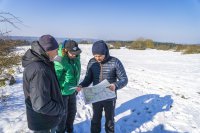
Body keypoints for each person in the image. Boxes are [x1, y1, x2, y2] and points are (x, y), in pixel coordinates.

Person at [77, 40, 128, 133]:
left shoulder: (115, 62)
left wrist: (115, 85)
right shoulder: (92, 62)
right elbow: (88, 78)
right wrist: (81, 85)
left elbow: (124, 79)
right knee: (95, 119)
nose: (97, 58)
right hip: (96, 96)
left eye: (100, 55)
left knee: (109, 120)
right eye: (95, 56)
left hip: (109, 97)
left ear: (105, 52)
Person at [22, 35, 64, 133]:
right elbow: (41, 105)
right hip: (44, 122)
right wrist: (60, 109)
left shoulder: (41, 62)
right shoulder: (40, 70)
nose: (57, 53)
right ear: (48, 50)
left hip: (44, 119)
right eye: (56, 50)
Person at [54, 40, 82, 133]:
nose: (74, 55)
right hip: (62, 93)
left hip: (72, 91)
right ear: (65, 50)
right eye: (72, 53)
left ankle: (70, 129)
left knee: (72, 113)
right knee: (62, 116)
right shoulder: (59, 59)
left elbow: (75, 74)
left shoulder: (76, 58)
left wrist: (76, 86)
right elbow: (55, 78)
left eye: (76, 53)